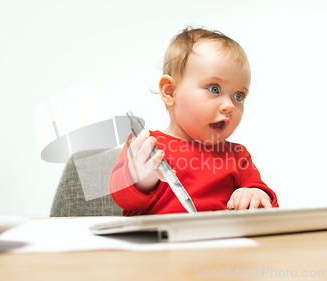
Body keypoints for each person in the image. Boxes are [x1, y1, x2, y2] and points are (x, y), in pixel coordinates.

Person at [109, 27, 279, 216]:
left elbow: (268, 205)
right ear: (170, 92)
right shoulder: (146, 147)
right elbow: (122, 198)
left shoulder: (238, 156)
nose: (229, 105)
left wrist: (255, 194)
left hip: (221, 242)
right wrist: (141, 177)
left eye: (239, 95)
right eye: (214, 89)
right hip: (162, 243)